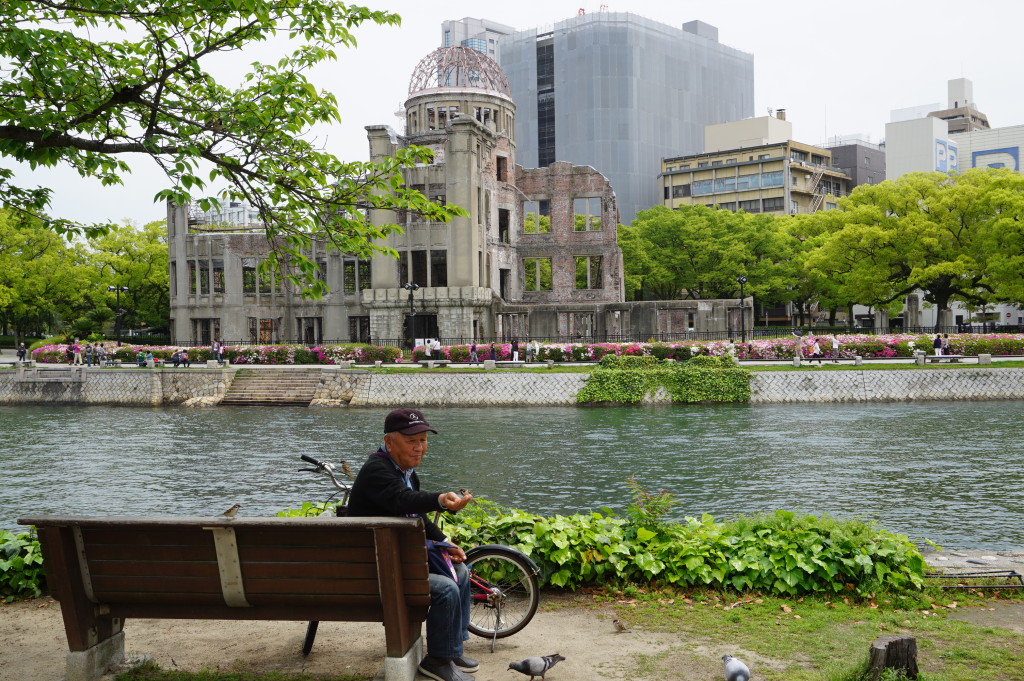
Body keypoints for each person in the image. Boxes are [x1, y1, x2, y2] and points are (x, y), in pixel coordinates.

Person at [347, 408, 477, 681]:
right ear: (389, 442)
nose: (419, 448)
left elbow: (416, 516)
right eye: (411, 441)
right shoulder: (377, 470)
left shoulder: (406, 472)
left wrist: (444, 542)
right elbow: (402, 501)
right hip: (373, 569)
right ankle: (437, 662)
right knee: (444, 588)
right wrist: (441, 499)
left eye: (423, 440)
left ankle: (451, 650)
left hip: (394, 559)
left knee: (461, 572)